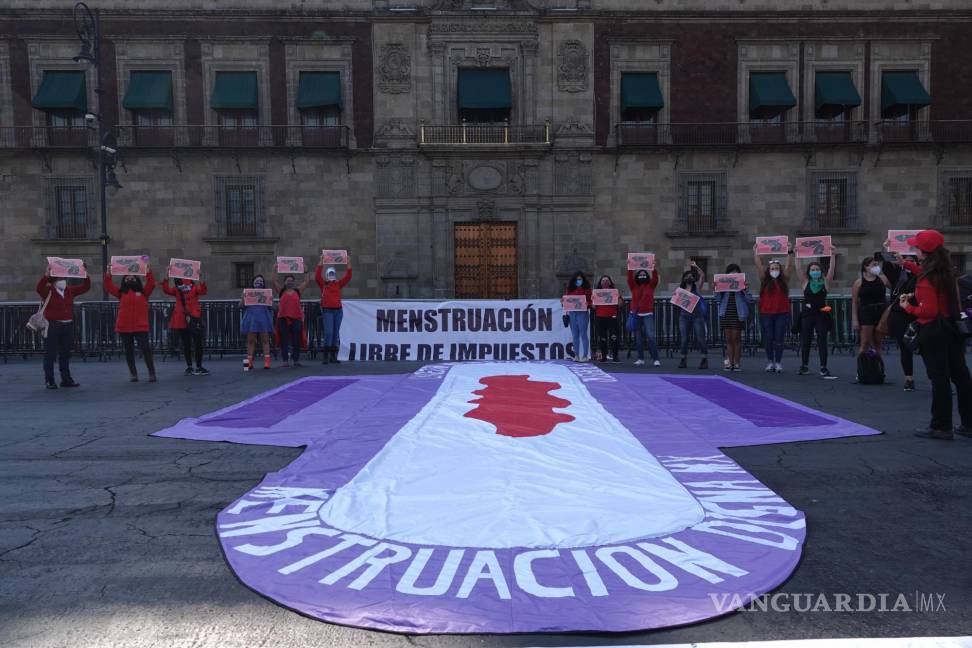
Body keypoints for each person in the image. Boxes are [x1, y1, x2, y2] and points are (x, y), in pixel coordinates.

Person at [898, 230, 972, 440]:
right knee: (961, 376)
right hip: (951, 329)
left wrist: (908, 307)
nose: (914, 250)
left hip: (934, 330)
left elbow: (928, 311)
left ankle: (941, 425)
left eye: (916, 247)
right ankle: (968, 423)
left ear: (924, 251)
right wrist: (907, 264)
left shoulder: (927, 279)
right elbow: (925, 275)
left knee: (939, 378)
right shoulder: (945, 270)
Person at [36, 263, 91, 389]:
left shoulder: (69, 290)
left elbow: (85, 287)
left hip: (67, 325)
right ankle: (49, 380)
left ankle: (66, 379)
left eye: (64, 279)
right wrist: (46, 275)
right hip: (52, 325)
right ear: (54, 280)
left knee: (65, 353)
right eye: (60, 279)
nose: (63, 281)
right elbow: (39, 288)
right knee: (50, 354)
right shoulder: (48, 290)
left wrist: (85, 274)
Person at [104, 268, 156, 382]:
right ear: (124, 281)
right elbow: (108, 286)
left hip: (140, 326)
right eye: (127, 278)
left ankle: (151, 373)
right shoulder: (121, 293)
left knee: (146, 348)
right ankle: (133, 374)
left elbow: (151, 284)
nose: (130, 279)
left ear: (137, 280)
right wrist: (108, 274)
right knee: (129, 350)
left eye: (132, 277)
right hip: (124, 327)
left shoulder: (144, 292)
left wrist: (148, 271)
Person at [881, 245, 919, 391]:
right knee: (904, 347)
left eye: (912, 261)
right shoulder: (897, 275)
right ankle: (909, 378)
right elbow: (887, 266)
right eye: (906, 260)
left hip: (916, 313)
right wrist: (887, 248)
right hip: (899, 314)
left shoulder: (920, 276)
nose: (909, 263)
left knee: (927, 346)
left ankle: (940, 378)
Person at [753, 244, 794, 372]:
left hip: (782, 313)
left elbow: (789, 266)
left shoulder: (784, 280)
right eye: (772, 268)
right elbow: (759, 266)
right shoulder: (764, 280)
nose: (774, 270)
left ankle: (779, 362)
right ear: (769, 270)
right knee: (769, 338)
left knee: (779, 338)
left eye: (776, 268)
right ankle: (770, 361)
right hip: (766, 313)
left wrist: (789, 252)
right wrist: (755, 252)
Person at [795, 251, 836, 377]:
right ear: (809, 272)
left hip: (821, 314)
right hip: (807, 314)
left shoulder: (825, 282)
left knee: (822, 340)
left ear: (820, 271)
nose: (815, 271)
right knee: (805, 339)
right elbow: (798, 267)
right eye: (812, 269)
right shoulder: (805, 282)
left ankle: (823, 367)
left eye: (817, 269)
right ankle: (804, 366)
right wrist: (797, 253)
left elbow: (831, 269)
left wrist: (833, 255)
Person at [161, 273, 209, 376]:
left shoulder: (194, 288)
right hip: (182, 318)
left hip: (194, 317)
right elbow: (166, 290)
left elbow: (204, 291)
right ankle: (190, 366)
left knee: (198, 343)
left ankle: (198, 366)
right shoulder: (177, 289)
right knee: (186, 343)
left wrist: (201, 278)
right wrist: (166, 276)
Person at [315, 259, 352, 364]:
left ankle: (333, 356)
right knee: (329, 333)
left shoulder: (338, 284)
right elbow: (317, 276)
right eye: (330, 273)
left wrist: (349, 263)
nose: (331, 275)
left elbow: (348, 277)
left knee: (335, 334)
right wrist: (320, 262)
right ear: (327, 274)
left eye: (333, 273)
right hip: (327, 311)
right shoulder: (323, 284)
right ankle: (326, 355)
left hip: (338, 311)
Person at [852, 255, 890, 357]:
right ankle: (861, 369)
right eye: (874, 265)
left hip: (881, 311)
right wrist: (855, 319)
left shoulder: (883, 279)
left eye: (877, 264)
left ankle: (878, 368)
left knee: (878, 343)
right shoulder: (859, 282)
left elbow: (895, 287)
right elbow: (855, 302)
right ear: (866, 267)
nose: (876, 266)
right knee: (865, 343)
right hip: (866, 312)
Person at [717, 263, 751, 372]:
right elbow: (717, 298)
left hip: (738, 313)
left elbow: (749, 299)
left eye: (735, 272)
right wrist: (717, 288)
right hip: (726, 312)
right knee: (728, 339)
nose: (733, 274)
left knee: (736, 338)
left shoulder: (742, 285)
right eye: (731, 272)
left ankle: (737, 363)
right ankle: (729, 362)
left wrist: (744, 289)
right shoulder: (724, 286)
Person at [272, 271, 310, 368]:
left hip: (296, 318)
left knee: (296, 339)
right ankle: (285, 361)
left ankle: (295, 360)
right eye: (288, 280)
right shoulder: (281, 291)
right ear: (284, 282)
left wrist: (305, 271)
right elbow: (274, 280)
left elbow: (306, 281)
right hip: (283, 318)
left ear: (294, 282)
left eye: (291, 281)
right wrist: (274, 269)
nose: (290, 282)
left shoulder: (297, 291)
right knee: (284, 339)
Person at [627, 266, 661, 367]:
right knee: (638, 338)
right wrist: (630, 267)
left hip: (647, 314)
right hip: (636, 314)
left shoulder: (651, 285)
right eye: (640, 274)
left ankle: (656, 359)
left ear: (647, 276)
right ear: (637, 276)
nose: (642, 276)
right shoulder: (633, 286)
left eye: (644, 274)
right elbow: (629, 278)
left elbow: (655, 278)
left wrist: (653, 267)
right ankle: (640, 359)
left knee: (650, 336)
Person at [677, 261, 708, 369]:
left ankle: (704, 359)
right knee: (684, 339)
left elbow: (703, 276)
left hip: (697, 316)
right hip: (684, 316)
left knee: (700, 339)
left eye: (691, 276)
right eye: (687, 276)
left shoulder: (697, 287)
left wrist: (696, 266)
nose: (689, 277)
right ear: (684, 279)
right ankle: (683, 359)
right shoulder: (681, 290)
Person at [241, 274, 274, 371]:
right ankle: (248, 364)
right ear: (253, 283)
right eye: (257, 281)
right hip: (251, 318)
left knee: (265, 340)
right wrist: (243, 298)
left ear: (263, 284)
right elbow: (241, 306)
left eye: (261, 281)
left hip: (263, 317)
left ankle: (267, 363)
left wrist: (271, 301)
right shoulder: (248, 292)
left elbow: (272, 307)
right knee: (250, 341)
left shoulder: (267, 293)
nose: (259, 283)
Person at [564, 271, 592, 362]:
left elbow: (591, 301)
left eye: (580, 279)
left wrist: (587, 303)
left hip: (583, 313)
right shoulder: (570, 289)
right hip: (572, 313)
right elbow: (566, 299)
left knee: (583, 334)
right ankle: (576, 355)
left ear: (583, 280)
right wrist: (563, 302)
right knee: (575, 335)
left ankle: (585, 355)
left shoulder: (587, 290)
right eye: (577, 279)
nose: (578, 281)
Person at [593, 274, 620, 362]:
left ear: (610, 282)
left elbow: (620, 304)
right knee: (602, 338)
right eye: (603, 281)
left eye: (607, 280)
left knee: (614, 337)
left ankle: (615, 356)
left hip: (612, 317)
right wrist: (594, 300)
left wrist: (617, 296)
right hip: (600, 317)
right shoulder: (597, 293)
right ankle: (604, 356)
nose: (605, 282)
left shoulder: (614, 291)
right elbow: (593, 306)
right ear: (600, 283)